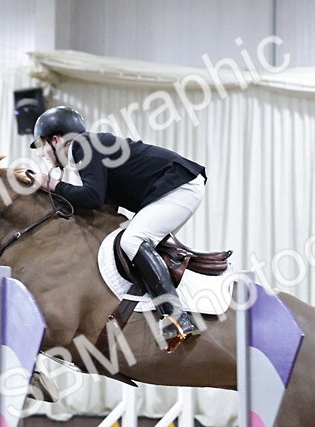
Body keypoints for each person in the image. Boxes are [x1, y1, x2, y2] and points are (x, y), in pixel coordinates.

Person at [30, 106, 206, 351]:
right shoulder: (87, 149)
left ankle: (176, 316)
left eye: (43, 147)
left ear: (56, 140)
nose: (44, 154)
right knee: (134, 242)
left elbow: (91, 197)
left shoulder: (83, 145)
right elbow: (103, 202)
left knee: (133, 240)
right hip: (176, 187)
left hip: (180, 187)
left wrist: (51, 184)